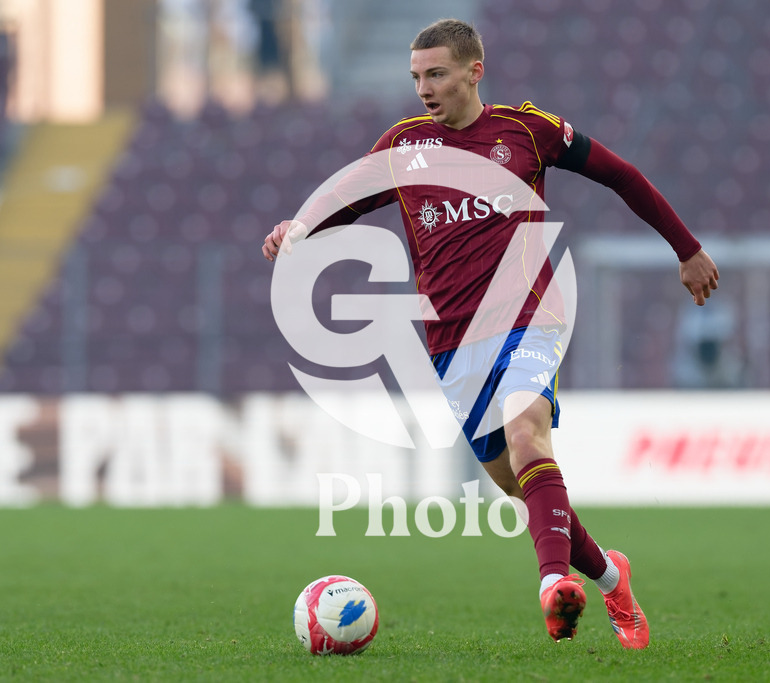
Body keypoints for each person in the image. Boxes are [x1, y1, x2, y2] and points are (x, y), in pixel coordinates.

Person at [263, 18, 719, 648]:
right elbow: (348, 196)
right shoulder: (404, 145)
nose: (425, 88)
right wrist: (301, 224)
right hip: (451, 344)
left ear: (474, 72)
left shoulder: (526, 131)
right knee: (516, 483)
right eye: (417, 76)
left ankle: (552, 585)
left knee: (527, 432)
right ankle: (613, 577)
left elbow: (620, 174)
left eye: (438, 74)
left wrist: (686, 249)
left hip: (529, 318)